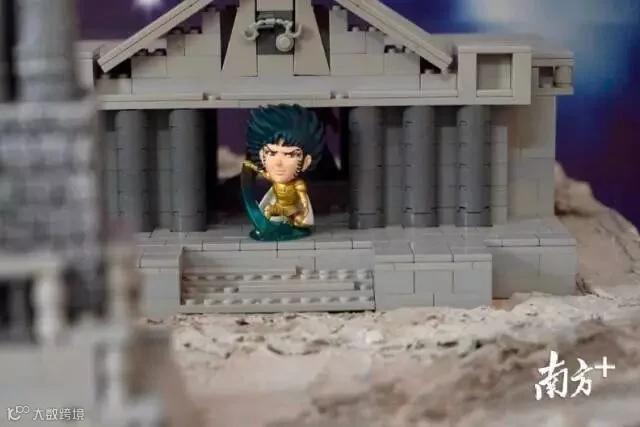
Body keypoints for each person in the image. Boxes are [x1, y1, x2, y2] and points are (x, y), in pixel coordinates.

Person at [241, 104, 325, 241]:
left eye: (289, 155)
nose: (278, 163)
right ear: (262, 156)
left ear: (306, 162)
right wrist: (249, 168)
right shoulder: (268, 174)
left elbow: (303, 199)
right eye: (271, 153)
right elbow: (260, 172)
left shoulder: (297, 184)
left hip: (292, 209)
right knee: (268, 212)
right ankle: (268, 229)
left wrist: (304, 213)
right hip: (278, 207)